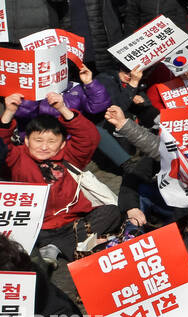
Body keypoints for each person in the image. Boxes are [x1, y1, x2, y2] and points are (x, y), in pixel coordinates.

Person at [0, 92, 123, 263]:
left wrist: (62, 108)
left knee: (112, 211)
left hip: (75, 223)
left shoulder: (68, 155)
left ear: (62, 144)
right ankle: (74, 247)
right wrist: (9, 112)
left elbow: (89, 137)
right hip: (39, 228)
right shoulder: (16, 158)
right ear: (27, 141)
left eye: (51, 141)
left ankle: (58, 247)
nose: (44, 147)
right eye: (38, 140)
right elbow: (1, 145)